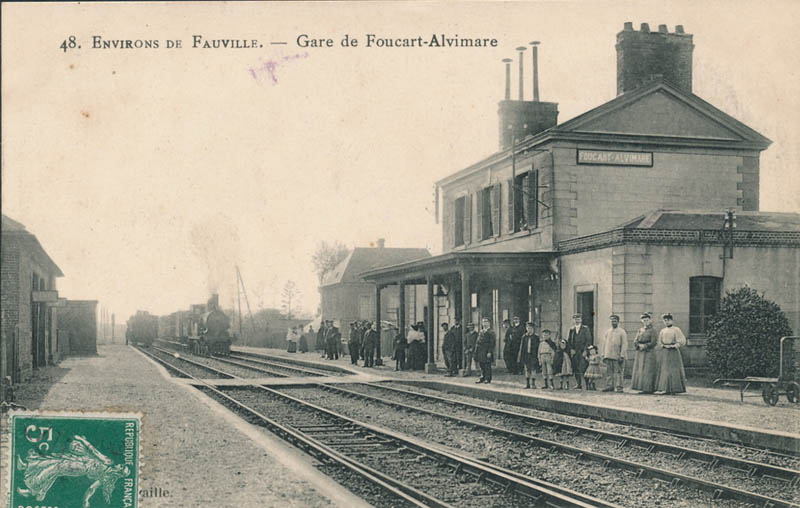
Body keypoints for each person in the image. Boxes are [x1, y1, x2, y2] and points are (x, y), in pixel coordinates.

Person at [655, 313, 687, 395]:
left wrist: (674, 346)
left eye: (668, 320)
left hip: (673, 352)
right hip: (665, 352)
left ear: (672, 320)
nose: (666, 322)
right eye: (665, 321)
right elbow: (659, 341)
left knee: (673, 369)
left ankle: (674, 389)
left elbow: (681, 340)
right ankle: (665, 388)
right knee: (665, 369)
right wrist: (663, 345)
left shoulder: (676, 329)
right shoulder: (663, 331)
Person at [631, 313, 658, 393]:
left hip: (649, 352)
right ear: (641, 321)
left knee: (648, 370)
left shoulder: (653, 330)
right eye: (644, 320)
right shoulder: (640, 330)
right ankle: (641, 387)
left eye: (647, 320)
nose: (645, 322)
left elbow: (654, 342)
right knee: (640, 369)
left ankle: (649, 388)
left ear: (650, 320)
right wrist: (638, 345)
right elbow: (635, 340)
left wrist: (645, 346)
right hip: (640, 352)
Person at [601, 314, 627, 392]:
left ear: (618, 322)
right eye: (612, 321)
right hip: (608, 355)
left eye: (615, 321)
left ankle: (619, 387)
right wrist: (603, 354)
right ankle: (610, 386)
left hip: (617, 355)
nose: (613, 323)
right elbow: (604, 343)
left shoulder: (622, 332)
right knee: (609, 372)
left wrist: (622, 355)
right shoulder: (608, 332)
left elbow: (624, 344)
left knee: (618, 372)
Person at [567, 313, 592, 389]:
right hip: (575, 352)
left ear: (581, 320)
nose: (577, 320)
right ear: (573, 320)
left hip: (582, 351)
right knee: (575, 368)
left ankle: (587, 384)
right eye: (575, 319)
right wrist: (571, 349)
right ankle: (578, 384)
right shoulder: (572, 329)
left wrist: (585, 351)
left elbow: (588, 340)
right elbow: (569, 341)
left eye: (578, 319)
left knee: (584, 367)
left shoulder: (585, 329)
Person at [517, 322, 539, 389]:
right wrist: (520, 356)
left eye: (530, 328)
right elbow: (521, 347)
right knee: (527, 369)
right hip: (526, 355)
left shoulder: (536, 337)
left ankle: (533, 383)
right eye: (528, 328)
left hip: (533, 355)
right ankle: (527, 383)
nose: (529, 330)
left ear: (533, 329)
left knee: (533, 369)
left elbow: (538, 347)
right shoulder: (524, 337)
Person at [475, 318, 496, 384]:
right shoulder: (481, 331)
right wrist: (476, 350)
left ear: (489, 323)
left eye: (486, 322)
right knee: (482, 365)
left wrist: (489, 351)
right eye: (483, 322)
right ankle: (482, 377)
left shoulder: (491, 332)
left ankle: (488, 378)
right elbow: (478, 341)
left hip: (487, 351)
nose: (484, 323)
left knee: (487, 365)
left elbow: (492, 343)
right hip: (480, 350)